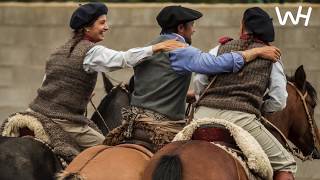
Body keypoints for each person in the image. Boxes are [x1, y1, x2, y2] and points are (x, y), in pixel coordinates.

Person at [1, 2, 185, 151]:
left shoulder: (58, 51)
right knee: (109, 153)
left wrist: (75, 94)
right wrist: (155, 48)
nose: (107, 27)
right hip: (63, 121)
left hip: (34, 113)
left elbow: (49, 83)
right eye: (102, 23)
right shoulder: (91, 52)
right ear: (87, 27)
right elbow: (122, 59)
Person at [105, 5, 281, 152]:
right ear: (181, 28)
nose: (194, 30)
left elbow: (157, 84)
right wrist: (255, 52)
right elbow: (215, 64)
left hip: (134, 125)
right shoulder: (179, 50)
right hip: (163, 128)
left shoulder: (149, 47)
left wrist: (187, 95)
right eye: (192, 26)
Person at [193, 7, 296, 180]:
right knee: (286, 164)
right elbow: (279, 100)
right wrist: (260, 107)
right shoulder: (272, 57)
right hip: (241, 119)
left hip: (202, 115)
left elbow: (199, 80)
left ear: (243, 26)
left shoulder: (219, 48)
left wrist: (202, 99)